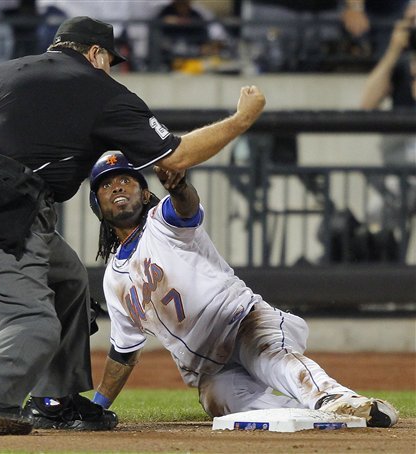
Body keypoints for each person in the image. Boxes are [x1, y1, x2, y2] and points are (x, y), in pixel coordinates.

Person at [0, 15, 266, 435]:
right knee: (34, 319)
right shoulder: (99, 89)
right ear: (94, 54)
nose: (110, 68)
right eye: (109, 59)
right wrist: (241, 120)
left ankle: (54, 399)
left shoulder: (4, 71)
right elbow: (177, 157)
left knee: (67, 279)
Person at [88, 151, 398, 428]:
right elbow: (123, 353)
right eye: (106, 185)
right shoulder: (114, 279)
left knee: (271, 357)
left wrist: (179, 187)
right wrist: (96, 408)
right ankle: (315, 417)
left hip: (241, 321)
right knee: (221, 401)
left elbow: (185, 208)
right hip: (209, 367)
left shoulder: (162, 222)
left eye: (126, 180)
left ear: (145, 194)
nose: (117, 187)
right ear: (97, 206)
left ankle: (340, 400)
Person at [360, 2, 416, 258]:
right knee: (376, 216)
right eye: (411, 20)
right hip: (400, 171)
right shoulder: (400, 62)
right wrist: (393, 50)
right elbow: (367, 104)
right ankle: (382, 272)